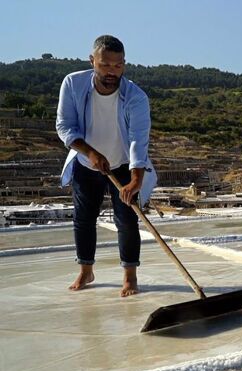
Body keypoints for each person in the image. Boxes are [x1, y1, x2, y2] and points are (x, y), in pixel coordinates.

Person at [56, 35, 157, 296]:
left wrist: (136, 179)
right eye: (105, 65)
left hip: (123, 164)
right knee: (84, 220)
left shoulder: (136, 97)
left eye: (118, 65)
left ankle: (129, 277)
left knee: (127, 220)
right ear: (92, 61)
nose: (112, 72)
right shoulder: (73, 84)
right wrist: (90, 152)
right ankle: (86, 270)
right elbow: (65, 126)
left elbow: (138, 139)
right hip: (85, 163)